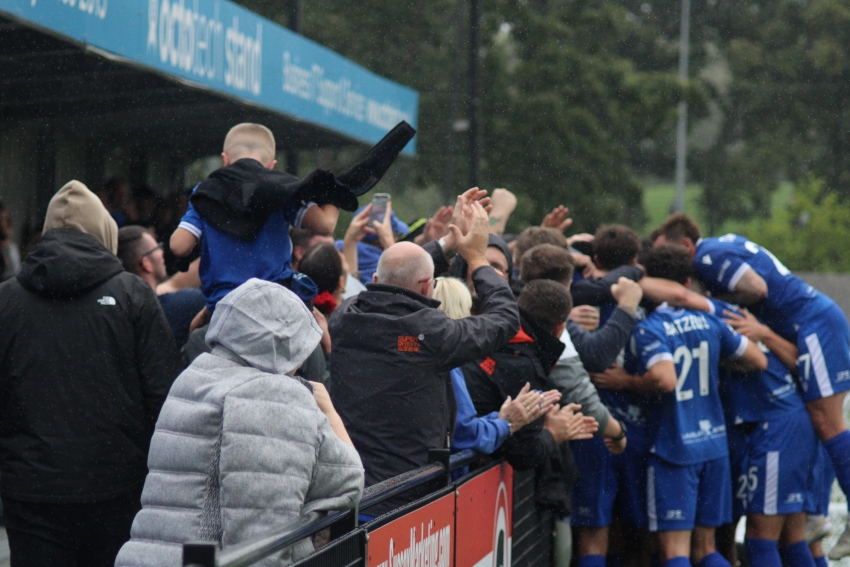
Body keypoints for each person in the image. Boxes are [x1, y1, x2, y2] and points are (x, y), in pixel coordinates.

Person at [115, 279, 364, 567]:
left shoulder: (195, 376)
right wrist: (327, 412)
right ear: (286, 343)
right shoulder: (273, 394)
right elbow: (346, 481)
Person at [0, 181, 182, 567]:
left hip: (31, 495)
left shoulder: (6, 301)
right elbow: (163, 397)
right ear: (105, 234)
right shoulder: (132, 294)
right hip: (116, 491)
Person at [653, 213, 850, 559]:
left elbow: (756, 287)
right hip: (800, 346)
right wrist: (766, 333)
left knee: (828, 423)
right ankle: (818, 509)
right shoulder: (724, 255)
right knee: (789, 532)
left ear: (685, 246)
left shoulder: (709, 258)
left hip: (814, 328)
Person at [329, 190, 520, 516]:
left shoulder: (346, 317)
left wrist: (449, 243)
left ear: (374, 280)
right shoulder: (435, 335)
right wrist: (476, 258)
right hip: (406, 504)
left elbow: (401, 272)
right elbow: (504, 320)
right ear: (427, 287)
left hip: (349, 496)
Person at [592, 245, 768, 567]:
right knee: (707, 549)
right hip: (714, 445)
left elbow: (665, 379)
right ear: (685, 282)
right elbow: (758, 359)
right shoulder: (708, 319)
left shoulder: (649, 328)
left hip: (675, 448)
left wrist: (626, 382)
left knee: (675, 551)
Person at [169, 123, 342, 311]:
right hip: (272, 307)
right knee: (319, 328)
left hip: (223, 307)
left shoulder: (205, 192)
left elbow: (179, 246)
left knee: (196, 330)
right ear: (271, 165)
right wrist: (337, 190)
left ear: (225, 159)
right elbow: (326, 224)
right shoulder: (281, 190)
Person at [716, 303, 819, 567]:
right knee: (792, 537)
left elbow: (763, 360)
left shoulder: (722, 313)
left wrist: (764, 334)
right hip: (788, 426)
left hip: (777, 431)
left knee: (760, 538)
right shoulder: (760, 312)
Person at [432, 276, 560, 454]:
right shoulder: (449, 361)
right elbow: (465, 434)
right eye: (470, 309)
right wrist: (507, 422)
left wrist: (499, 416)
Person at [117, 226, 206, 350]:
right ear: (146, 264)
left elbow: (172, 285)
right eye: (157, 248)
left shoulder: (123, 312)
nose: (162, 252)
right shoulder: (186, 303)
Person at [0, 200, 21, 281]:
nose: (4, 224)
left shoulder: (11, 247)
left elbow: (15, 271)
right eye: (1, 220)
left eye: (7, 220)